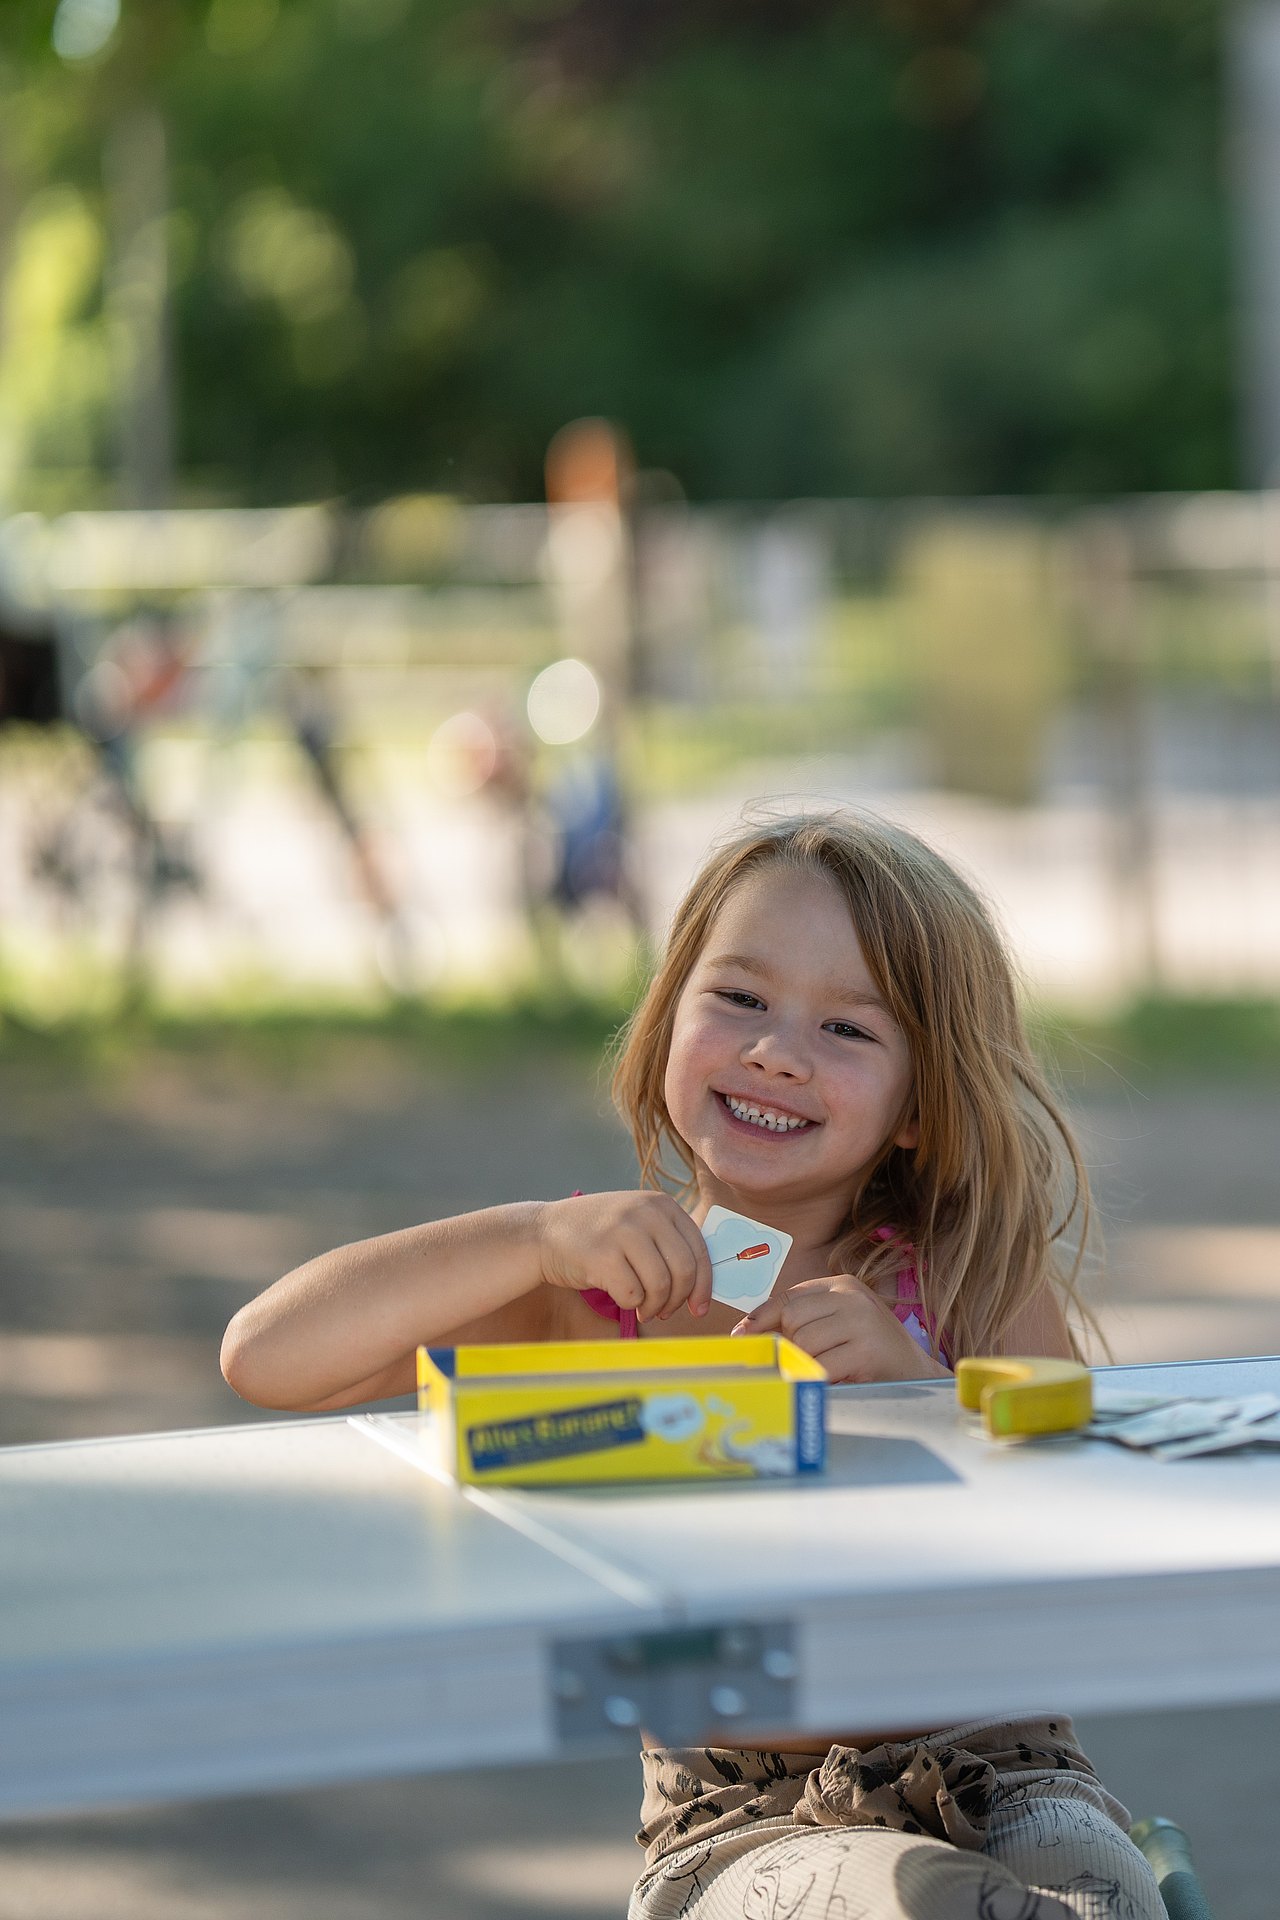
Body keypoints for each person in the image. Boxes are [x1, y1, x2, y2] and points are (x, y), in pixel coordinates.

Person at [221, 809, 1162, 1920]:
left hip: (1001, 1763)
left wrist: (925, 1398)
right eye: (740, 999)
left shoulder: (970, 1280)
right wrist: (524, 1236)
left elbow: (1087, 1533)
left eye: (847, 1030)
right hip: (740, 1822)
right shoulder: (589, 1291)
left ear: (918, 1105)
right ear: (668, 1018)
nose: (775, 1050)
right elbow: (267, 1357)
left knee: (1100, 1898)